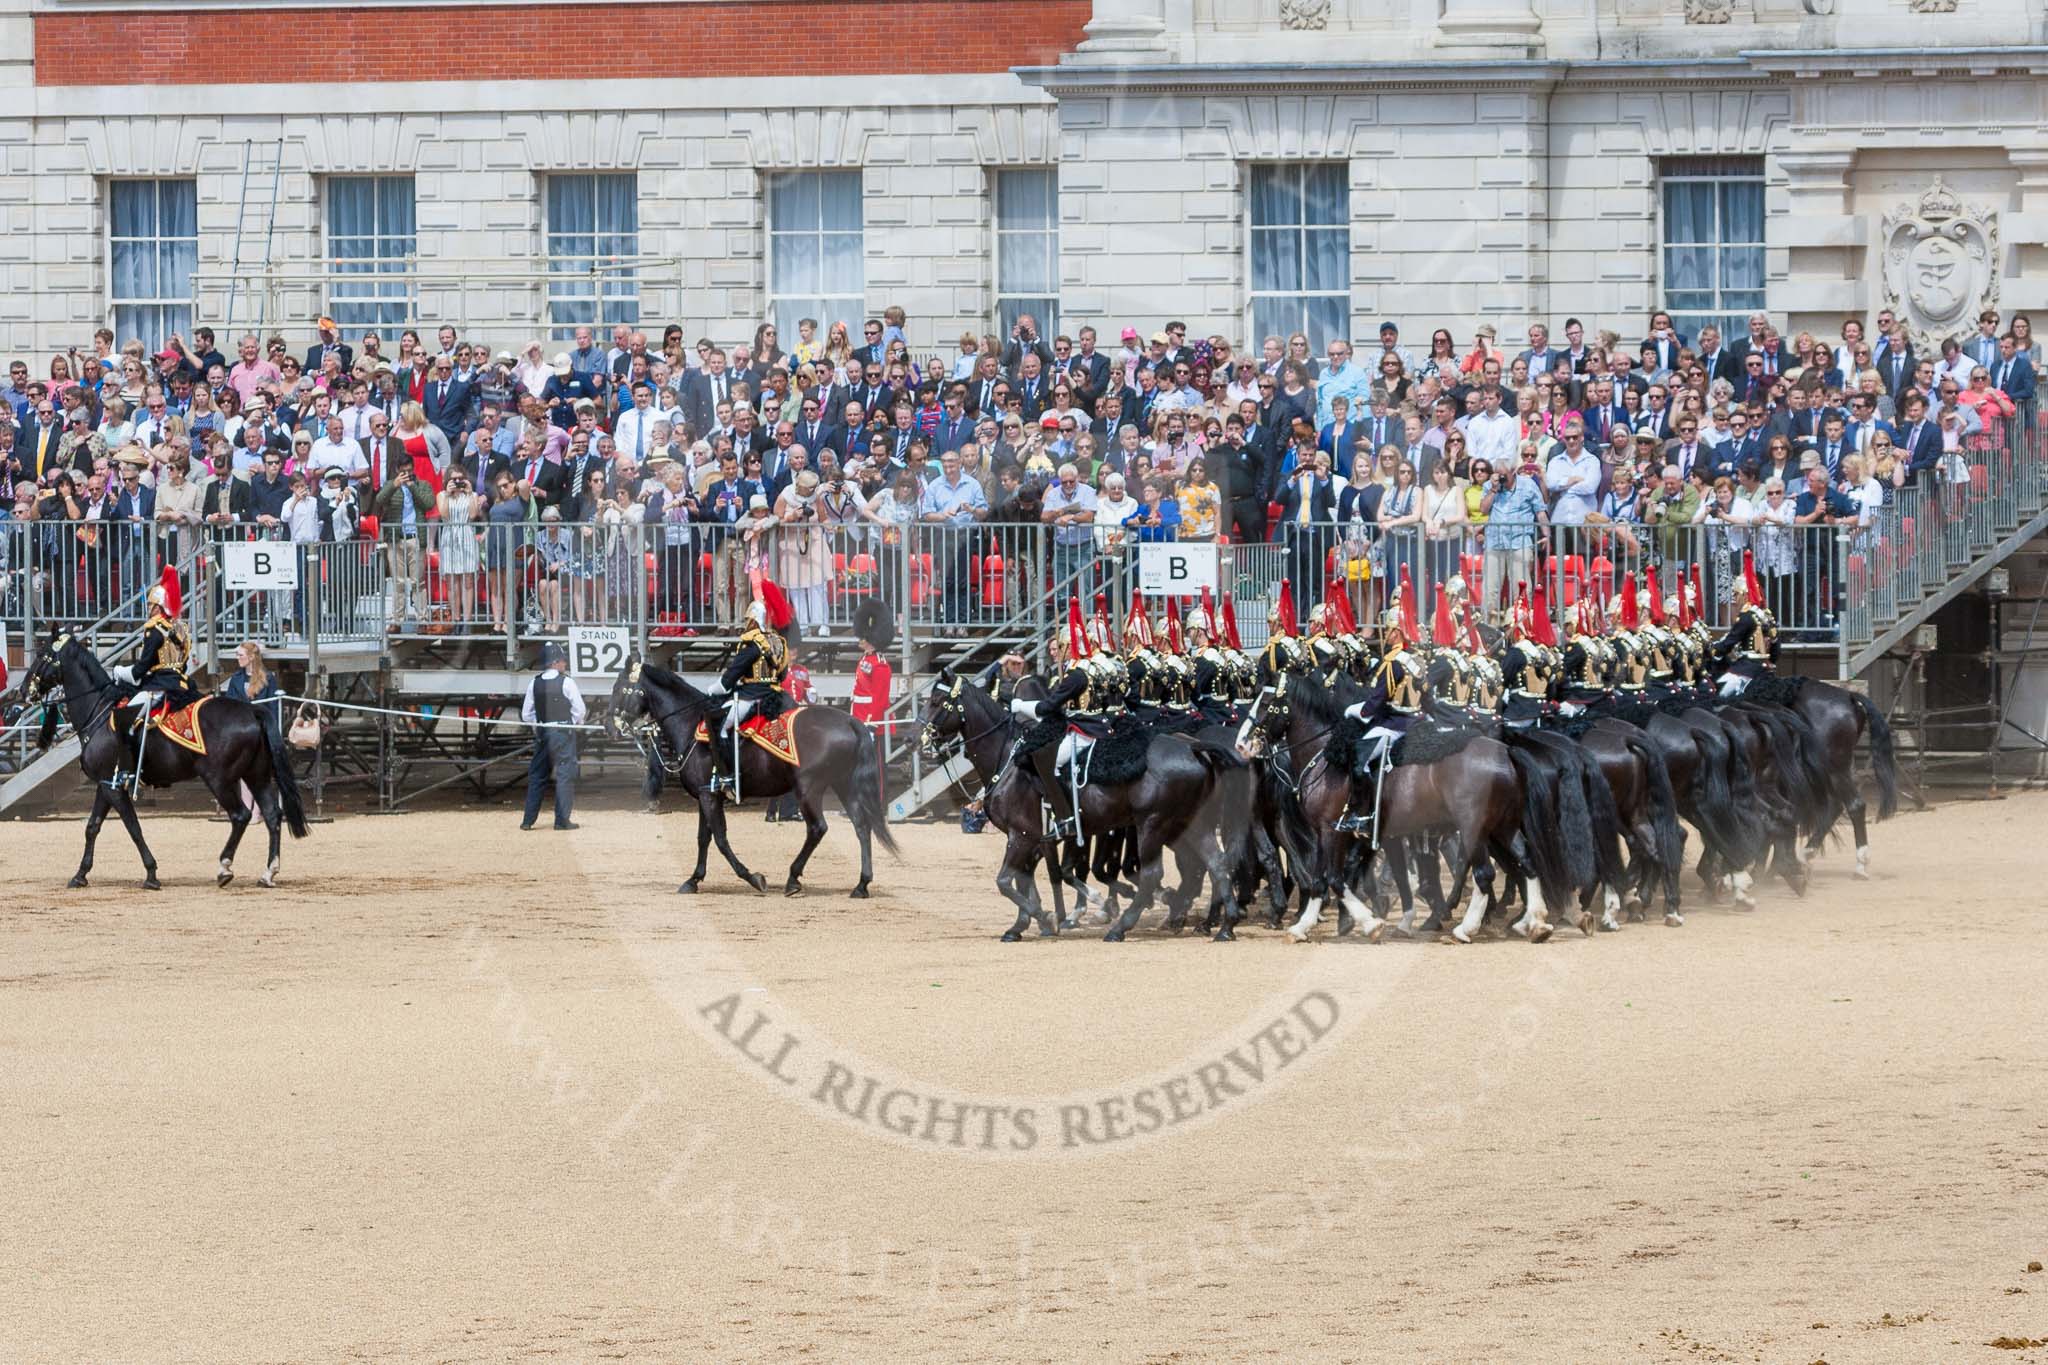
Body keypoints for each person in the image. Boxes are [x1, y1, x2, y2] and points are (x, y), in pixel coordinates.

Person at [108, 567, 200, 791]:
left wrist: (119, 671)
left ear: (158, 606)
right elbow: (184, 662)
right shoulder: (181, 629)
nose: (149, 609)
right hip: (182, 683)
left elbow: (140, 670)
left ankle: (127, 772)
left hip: (158, 687)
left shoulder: (153, 628)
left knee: (123, 719)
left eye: (151, 605)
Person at [1334, 607, 1423, 837]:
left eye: (1389, 630)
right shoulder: (1417, 659)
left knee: (1358, 756)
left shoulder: (1392, 662)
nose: (1386, 634)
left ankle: (1362, 816)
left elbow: (1374, 704)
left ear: (1397, 633)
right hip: (1419, 721)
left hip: (1395, 725)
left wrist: (1354, 710)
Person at [708, 578, 795, 797]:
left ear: (754, 620)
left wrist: (712, 690)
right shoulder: (778, 642)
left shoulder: (750, 644)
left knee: (720, 726)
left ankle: (727, 777)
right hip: (776, 695)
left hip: (751, 696)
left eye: (749, 620)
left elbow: (728, 681)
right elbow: (783, 674)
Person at [519, 642, 585, 831]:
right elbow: (580, 710)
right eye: (563, 660)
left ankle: (528, 820)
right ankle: (561, 820)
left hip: (543, 734)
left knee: (537, 776)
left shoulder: (534, 682)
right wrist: (573, 725)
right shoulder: (567, 682)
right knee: (565, 776)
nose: (565, 664)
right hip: (563, 733)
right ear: (556, 662)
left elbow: (526, 714)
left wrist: (538, 728)